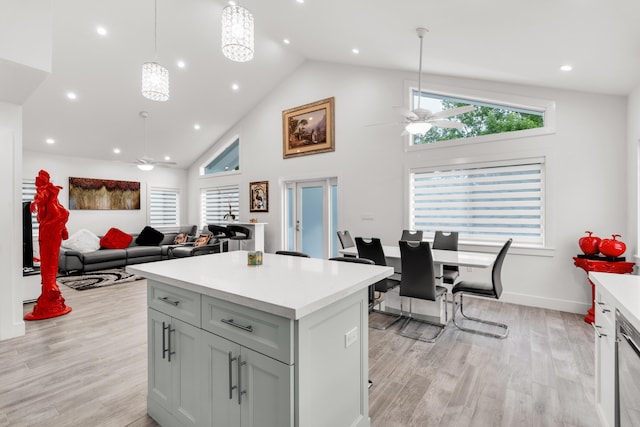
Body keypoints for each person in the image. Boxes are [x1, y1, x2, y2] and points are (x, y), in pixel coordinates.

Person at [24, 170, 72, 320]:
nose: (37, 182)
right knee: (49, 262)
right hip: (50, 232)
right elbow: (42, 198)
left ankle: (51, 290)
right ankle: (50, 290)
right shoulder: (48, 194)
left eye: (39, 180)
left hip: (52, 232)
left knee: (50, 262)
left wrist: (35, 203)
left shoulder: (47, 194)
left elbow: (42, 197)